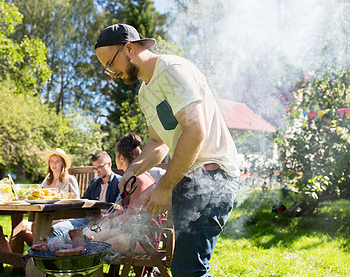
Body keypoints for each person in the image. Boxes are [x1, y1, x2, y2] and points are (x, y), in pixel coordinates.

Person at [94, 23, 240, 276]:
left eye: (110, 63)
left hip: (212, 176)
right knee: (184, 266)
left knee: (189, 269)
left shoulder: (173, 70)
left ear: (129, 48)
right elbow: (158, 143)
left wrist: (164, 187)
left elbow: (195, 131)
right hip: (186, 176)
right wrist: (133, 170)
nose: (111, 73)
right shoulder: (144, 92)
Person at [84, 133, 158, 255]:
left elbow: (131, 216)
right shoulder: (134, 177)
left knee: (100, 245)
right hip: (133, 231)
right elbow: (126, 211)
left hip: (144, 239)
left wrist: (108, 223)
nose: (115, 160)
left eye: (116, 156)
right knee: (91, 236)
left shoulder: (139, 179)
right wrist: (109, 218)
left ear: (121, 158)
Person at [10, 148, 79, 251]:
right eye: (52, 161)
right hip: (44, 215)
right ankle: (16, 264)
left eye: (57, 161)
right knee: (21, 226)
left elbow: (77, 201)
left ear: (62, 164)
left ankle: (39, 254)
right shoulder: (46, 181)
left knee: (32, 226)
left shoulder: (69, 179)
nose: (54, 164)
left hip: (62, 217)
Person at [49, 151, 122, 237]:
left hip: (107, 222)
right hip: (88, 219)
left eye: (100, 167)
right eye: (95, 168)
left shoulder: (119, 182)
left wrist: (107, 217)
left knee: (69, 236)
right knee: (56, 229)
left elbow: (121, 209)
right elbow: (83, 202)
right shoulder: (94, 183)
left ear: (109, 164)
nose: (97, 171)